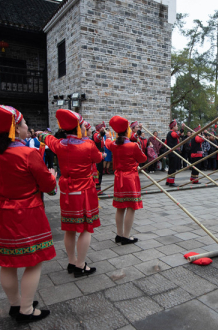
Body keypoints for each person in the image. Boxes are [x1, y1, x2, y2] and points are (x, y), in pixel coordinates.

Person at [0, 104, 56, 324]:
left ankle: (15, 304)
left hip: (4, 213)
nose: (27, 127)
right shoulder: (28, 152)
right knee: (33, 261)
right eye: (25, 123)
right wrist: (53, 175)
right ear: (15, 128)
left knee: (7, 262)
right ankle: (27, 309)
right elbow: (47, 186)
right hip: (29, 213)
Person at [37, 110, 104, 278]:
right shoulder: (88, 145)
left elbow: (45, 138)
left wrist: (40, 134)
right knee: (86, 228)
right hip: (85, 191)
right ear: (79, 127)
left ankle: (72, 261)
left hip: (67, 191)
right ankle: (81, 265)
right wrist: (103, 153)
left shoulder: (60, 144)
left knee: (70, 228)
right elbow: (98, 158)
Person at [105, 116, 147, 245]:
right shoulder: (133, 145)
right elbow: (143, 159)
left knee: (120, 207)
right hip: (130, 178)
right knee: (130, 207)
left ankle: (119, 234)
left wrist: (107, 136)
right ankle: (126, 236)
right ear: (127, 131)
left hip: (119, 179)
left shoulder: (113, 144)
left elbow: (107, 142)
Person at [165, 120, 184, 187]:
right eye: (176, 126)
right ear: (173, 127)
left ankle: (168, 181)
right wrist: (182, 129)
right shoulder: (171, 133)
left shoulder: (170, 133)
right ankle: (171, 182)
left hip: (172, 152)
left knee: (171, 167)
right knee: (173, 167)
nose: (177, 127)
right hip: (173, 152)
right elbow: (176, 135)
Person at [92, 122, 106, 193]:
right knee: (97, 173)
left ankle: (98, 189)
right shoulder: (95, 134)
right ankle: (95, 189)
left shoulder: (98, 134)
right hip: (97, 156)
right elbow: (97, 139)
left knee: (100, 172)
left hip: (100, 155)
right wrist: (102, 133)